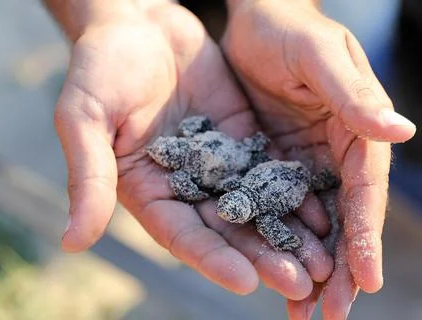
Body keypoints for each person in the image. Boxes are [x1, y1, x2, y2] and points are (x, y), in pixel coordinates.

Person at [42, 0, 416, 319]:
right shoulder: (235, 181)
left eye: (230, 211)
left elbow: (247, 182)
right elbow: (231, 169)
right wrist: (111, 14)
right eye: (229, 209)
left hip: (269, 167)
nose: (225, 212)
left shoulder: (248, 193)